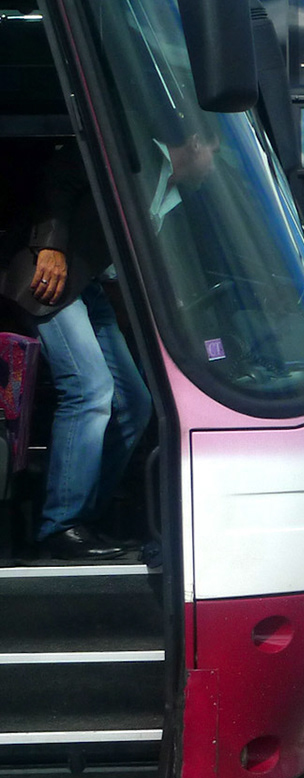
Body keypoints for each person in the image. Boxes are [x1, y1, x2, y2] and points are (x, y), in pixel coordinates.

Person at [13, 143, 153, 560]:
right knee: (90, 389)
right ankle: (61, 524)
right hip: (47, 272)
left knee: (134, 403)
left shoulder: (172, 191)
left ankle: (88, 513)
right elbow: (61, 175)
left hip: (86, 280)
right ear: (196, 143)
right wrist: (51, 246)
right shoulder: (130, 145)